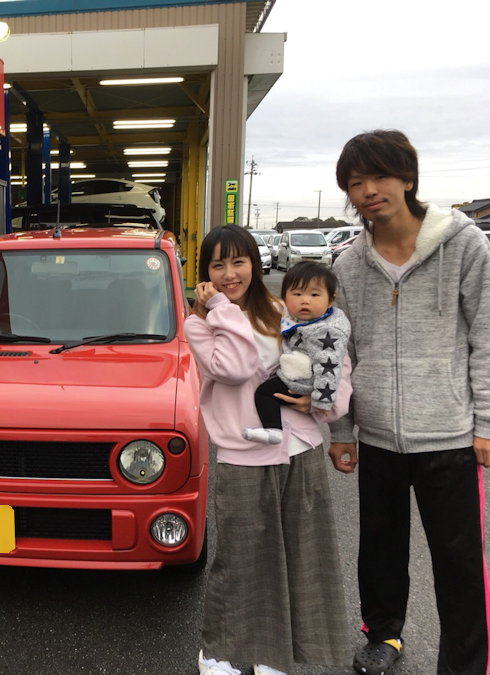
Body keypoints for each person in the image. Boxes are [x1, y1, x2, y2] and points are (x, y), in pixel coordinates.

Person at [329, 130, 490, 675]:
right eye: (356, 183)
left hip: (448, 433)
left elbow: (486, 339)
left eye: (379, 177)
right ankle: (384, 635)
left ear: (407, 177)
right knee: (378, 549)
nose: (369, 190)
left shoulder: (464, 245)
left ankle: (466, 663)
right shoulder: (349, 265)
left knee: (459, 562)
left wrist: (486, 423)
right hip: (377, 435)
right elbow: (342, 352)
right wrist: (344, 430)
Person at [184, 224, 352, 675]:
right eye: (217, 265)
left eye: (238, 262)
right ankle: (217, 652)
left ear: (255, 264)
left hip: (299, 448)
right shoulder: (199, 324)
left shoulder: (282, 309)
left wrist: (323, 401)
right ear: (205, 273)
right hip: (243, 453)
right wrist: (219, 308)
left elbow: (334, 358)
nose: (229, 274)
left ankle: (272, 655)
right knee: (240, 559)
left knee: (301, 554)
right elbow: (236, 367)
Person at [243, 261, 350, 445]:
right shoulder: (298, 318)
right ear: (284, 297)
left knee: (264, 393)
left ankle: (273, 430)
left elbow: (328, 366)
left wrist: (322, 402)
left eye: (314, 294)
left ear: (331, 300)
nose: (305, 300)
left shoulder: (326, 331)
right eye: (297, 294)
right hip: (301, 376)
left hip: (305, 382)